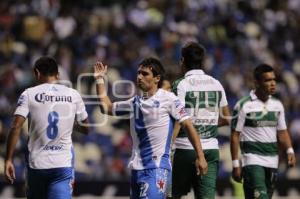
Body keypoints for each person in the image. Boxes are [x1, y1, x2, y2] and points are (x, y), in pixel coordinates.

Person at [93, 57, 208, 199]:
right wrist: (99, 80)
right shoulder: (134, 103)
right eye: (138, 73)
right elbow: (106, 108)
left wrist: (201, 156)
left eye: (145, 74)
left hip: (156, 169)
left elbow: (188, 125)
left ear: (157, 78)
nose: (139, 77)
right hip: (136, 170)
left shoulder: (169, 99)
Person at [4, 56, 89, 199]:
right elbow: (86, 128)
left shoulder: (28, 94)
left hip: (37, 164)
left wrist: (8, 159)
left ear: (37, 73)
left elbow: (15, 126)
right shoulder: (73, 94)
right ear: (58, 74)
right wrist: (68, 123)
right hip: (62, 164)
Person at [171, 42, 230, 199]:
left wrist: (169, 146)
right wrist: (206, 122)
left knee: (172, 194)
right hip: (210, 150)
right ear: (202, 61)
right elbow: (226, 118)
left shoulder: (180, 84)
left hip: (184, 150)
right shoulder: (216, 84)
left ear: (182, 61)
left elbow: (179, 118)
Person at [230, 63, 296, 199]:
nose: (272, 84)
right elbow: (235, 135)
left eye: (274, 80)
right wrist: (236, 164)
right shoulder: (243, 105)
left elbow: (282, 132)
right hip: (252, 160)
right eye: (267, 80)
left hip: (272, 161)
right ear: (256, 83)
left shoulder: (277, 105)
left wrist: (290, 150)